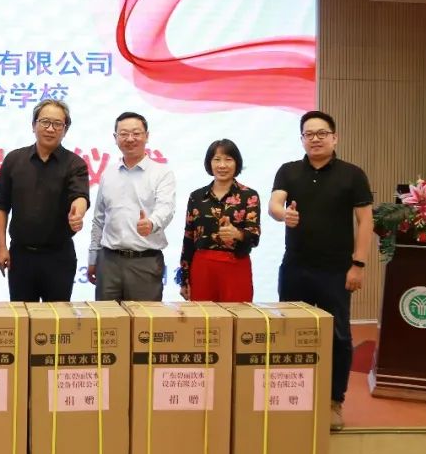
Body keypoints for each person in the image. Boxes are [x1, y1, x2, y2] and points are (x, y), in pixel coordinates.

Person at [269, 110, 373, 432]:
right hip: (295, 267)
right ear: (302, 139)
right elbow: (274, 204)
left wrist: (358, 264)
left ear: (334, 137)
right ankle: (289, 398)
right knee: (289, 333)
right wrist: (283, 215)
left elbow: (365, 221)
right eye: (309, 134)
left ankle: (333, 401)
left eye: (321, 133)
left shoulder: (352, 175)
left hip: (336, 271)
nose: (315, 139)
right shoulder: (288, 171)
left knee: (338, 336)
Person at [0, 99, 90, 302]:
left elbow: (79, 196)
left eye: (57, 124)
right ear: (33, 125)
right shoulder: (14, 160)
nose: (50, 128)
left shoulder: (75, 164)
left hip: (58, 257)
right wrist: (1, 247)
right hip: (21, 256)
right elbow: (1, 206)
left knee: (57, 318)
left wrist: (78, 214)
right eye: (45, 122)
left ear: (65, 130)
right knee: (21, 316)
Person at [88, 111, 176, 301]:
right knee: (107, 317)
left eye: (136, 133)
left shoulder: (162, 173)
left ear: (147, 136)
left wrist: (151, 223)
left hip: (145, 261)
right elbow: (99, 219)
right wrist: (93, 257)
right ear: (115, 138)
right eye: (124, 134)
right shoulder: (108, 174)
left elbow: (166, 208)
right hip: (108, 262)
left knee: (144, 319)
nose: (130, 139)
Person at [178, 138, 261, 301]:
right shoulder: (197, 196)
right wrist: (184, 278)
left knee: (237, 315)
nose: (222, 165)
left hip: (235, 267)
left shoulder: (249, 195)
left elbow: (254, 236)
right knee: (203, 316)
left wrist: (237, 234)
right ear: (209, 163)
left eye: (228, 159)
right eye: (217, 159)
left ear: (237, 163)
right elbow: (188, 237)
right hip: (202, 268)